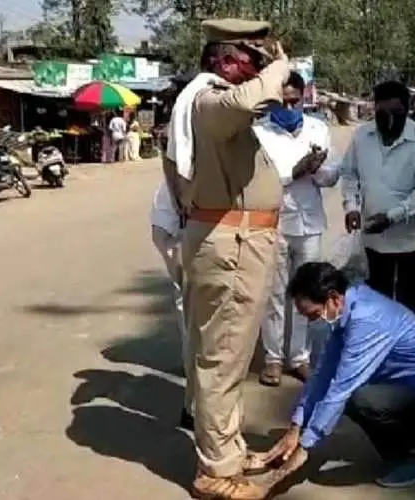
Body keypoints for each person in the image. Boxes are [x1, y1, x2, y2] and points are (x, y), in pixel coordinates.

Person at [165, 18, 292, 498]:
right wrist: (279, 65)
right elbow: (250, 99)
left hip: (231, 238)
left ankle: (228, 451)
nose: (257, 70)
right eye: (251, 60)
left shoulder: (202, 105)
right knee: (222, 357)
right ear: (223, 61)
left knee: (228, 356)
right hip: (232, 243)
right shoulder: (209, 102)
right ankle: (217, 471)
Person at [261, 262, 415, 489]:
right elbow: (323, 374)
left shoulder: (367, 320)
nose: (313, 322)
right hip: (414, 389)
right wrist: (295, 426)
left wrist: (304, 448)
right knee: (355, 395)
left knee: (360, 399)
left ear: (333, 298)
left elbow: (341, 388)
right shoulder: (348, 308)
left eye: (313, 315)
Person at [255, 72, 339, 387]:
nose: (289, 106)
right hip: (274, 221)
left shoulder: (318, 128)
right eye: (283, 101)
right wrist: (293, 173)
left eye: (295, 100)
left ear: (304, 96)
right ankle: (273, 358)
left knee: (308, 293)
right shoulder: (259, 133)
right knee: (274, 293)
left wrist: (317, 170)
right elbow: (258, 180)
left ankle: (299, 357)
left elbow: (333, 174)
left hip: (310, 222)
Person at [341, 80, 415, 331]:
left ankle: (410, 359)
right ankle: (381, 355)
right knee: (377, 304)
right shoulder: (362, 135)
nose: (388, 120)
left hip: (413, 242)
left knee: (413, 307)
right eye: (380, 113)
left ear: (407, 110)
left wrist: (393, 216)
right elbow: (350, 174)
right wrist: (351, 206)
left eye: (395, 113)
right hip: (375, 241)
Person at [149, 180, 193, 430]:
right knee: (195, 340)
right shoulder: (173, 183)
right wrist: (176, 263)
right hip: (189, 266)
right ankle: (194, 406)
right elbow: (160, 232)